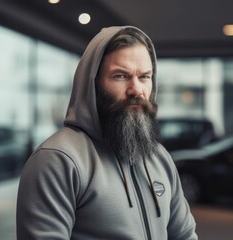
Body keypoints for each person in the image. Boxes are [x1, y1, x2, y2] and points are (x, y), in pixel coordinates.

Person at [16, 26, 198, 240]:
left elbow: (185, 236)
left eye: (144, 77)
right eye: (121, 76)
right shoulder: (57, 159)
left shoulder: (159, 158)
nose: (137, 89)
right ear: (93, 83)